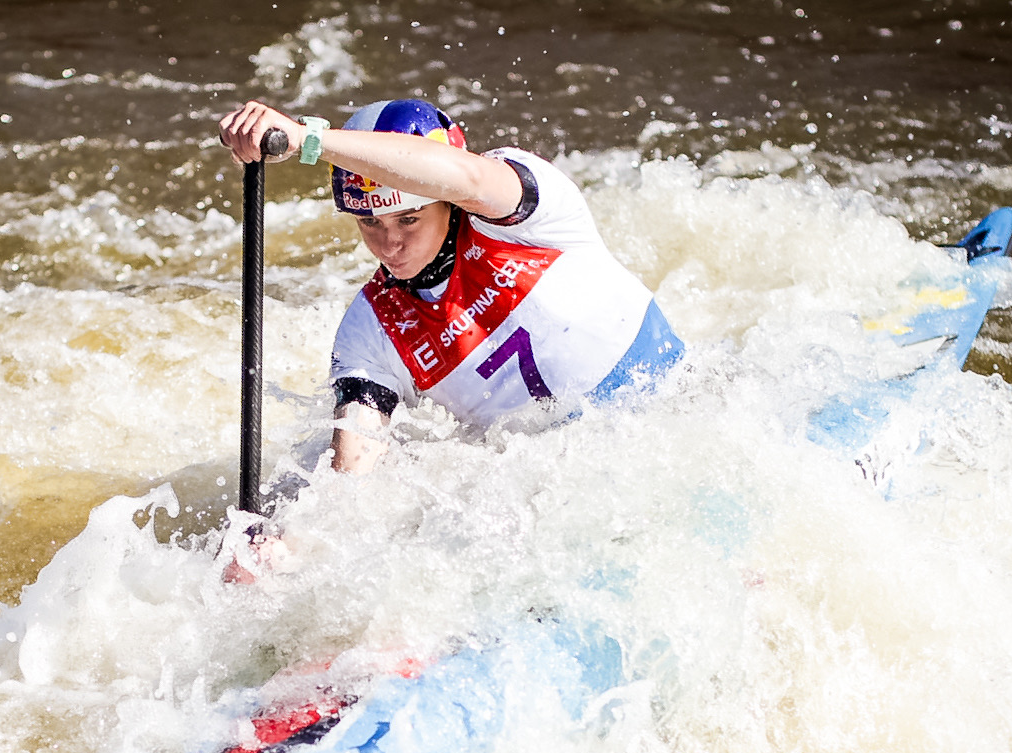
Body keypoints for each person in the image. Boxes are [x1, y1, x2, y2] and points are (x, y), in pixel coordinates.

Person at [217, 97, 685, 477]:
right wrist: (287, 548)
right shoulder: (372, 326)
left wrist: (310, 139)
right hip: (555, 482)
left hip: (675, 419)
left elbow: (468, 175)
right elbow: (350, 479)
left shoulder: (524, 215)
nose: (389, 243)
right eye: (369, 223)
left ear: (446, 202)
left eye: (408, 218)